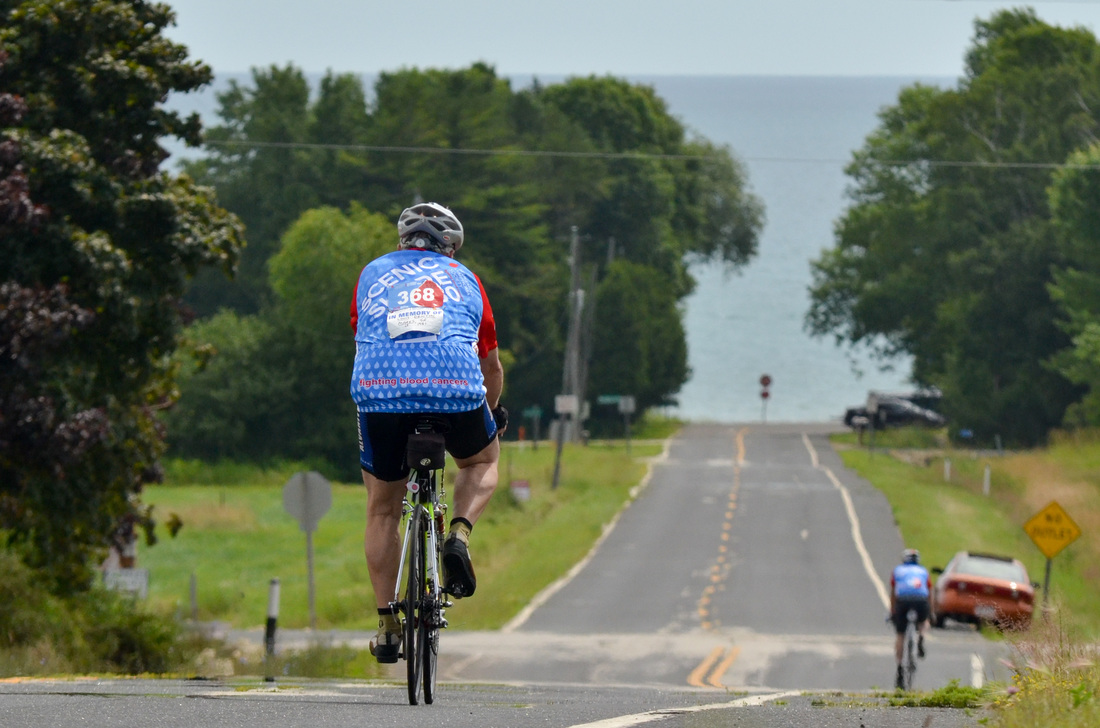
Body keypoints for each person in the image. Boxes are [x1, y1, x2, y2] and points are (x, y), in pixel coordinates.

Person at [349, 202, 507, 663]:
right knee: (482, 460)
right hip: (454, 392)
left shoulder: (372, 273)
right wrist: (493, 415)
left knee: (381, 510)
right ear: (451, 249)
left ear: (402, 241)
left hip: (382, 395)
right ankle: (458, 534)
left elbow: (365, 338)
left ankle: (386, 625)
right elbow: (491, 365)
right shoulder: (466, 280)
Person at [890, 548, 931, 689]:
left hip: (903, 601)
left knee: (900, 635)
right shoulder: (923, 571)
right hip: (921, 600)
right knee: (924, 621)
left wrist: (893, 611)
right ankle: (921, 636)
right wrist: (929, 612)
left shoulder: (898, 571)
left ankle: (900, 668)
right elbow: (928, 591)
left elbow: (893, 593)